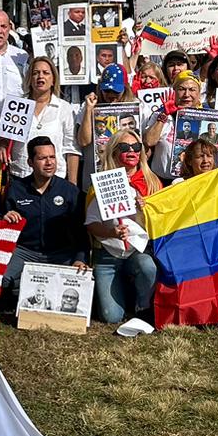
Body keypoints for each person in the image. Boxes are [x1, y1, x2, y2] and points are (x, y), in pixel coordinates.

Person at [0, 137, 86, 312]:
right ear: (30, 162)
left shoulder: (69, 191)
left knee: (75, 285)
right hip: (25, 251)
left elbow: (81, 231)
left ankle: (20, 289)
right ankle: (15, 289)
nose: (49, 163)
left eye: (52, 157)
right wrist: (5, 216)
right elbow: (2, 226)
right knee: (0, 277)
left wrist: (79, 259)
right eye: (42, 158)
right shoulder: (16, 189)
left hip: (60, 254)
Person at [84, 128, 160, 327]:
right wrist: (111, 232)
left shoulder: (152, 182)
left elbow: (162, 222)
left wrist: (147, 210)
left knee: (147, 266)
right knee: (112, 317)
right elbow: (91, 224)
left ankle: (142, 306)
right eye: (125, 147)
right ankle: (123, 290)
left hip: (138, 252)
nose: (132, 151)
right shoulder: (100, 184)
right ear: (114, 152)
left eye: (136, 147)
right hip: (107, 256)